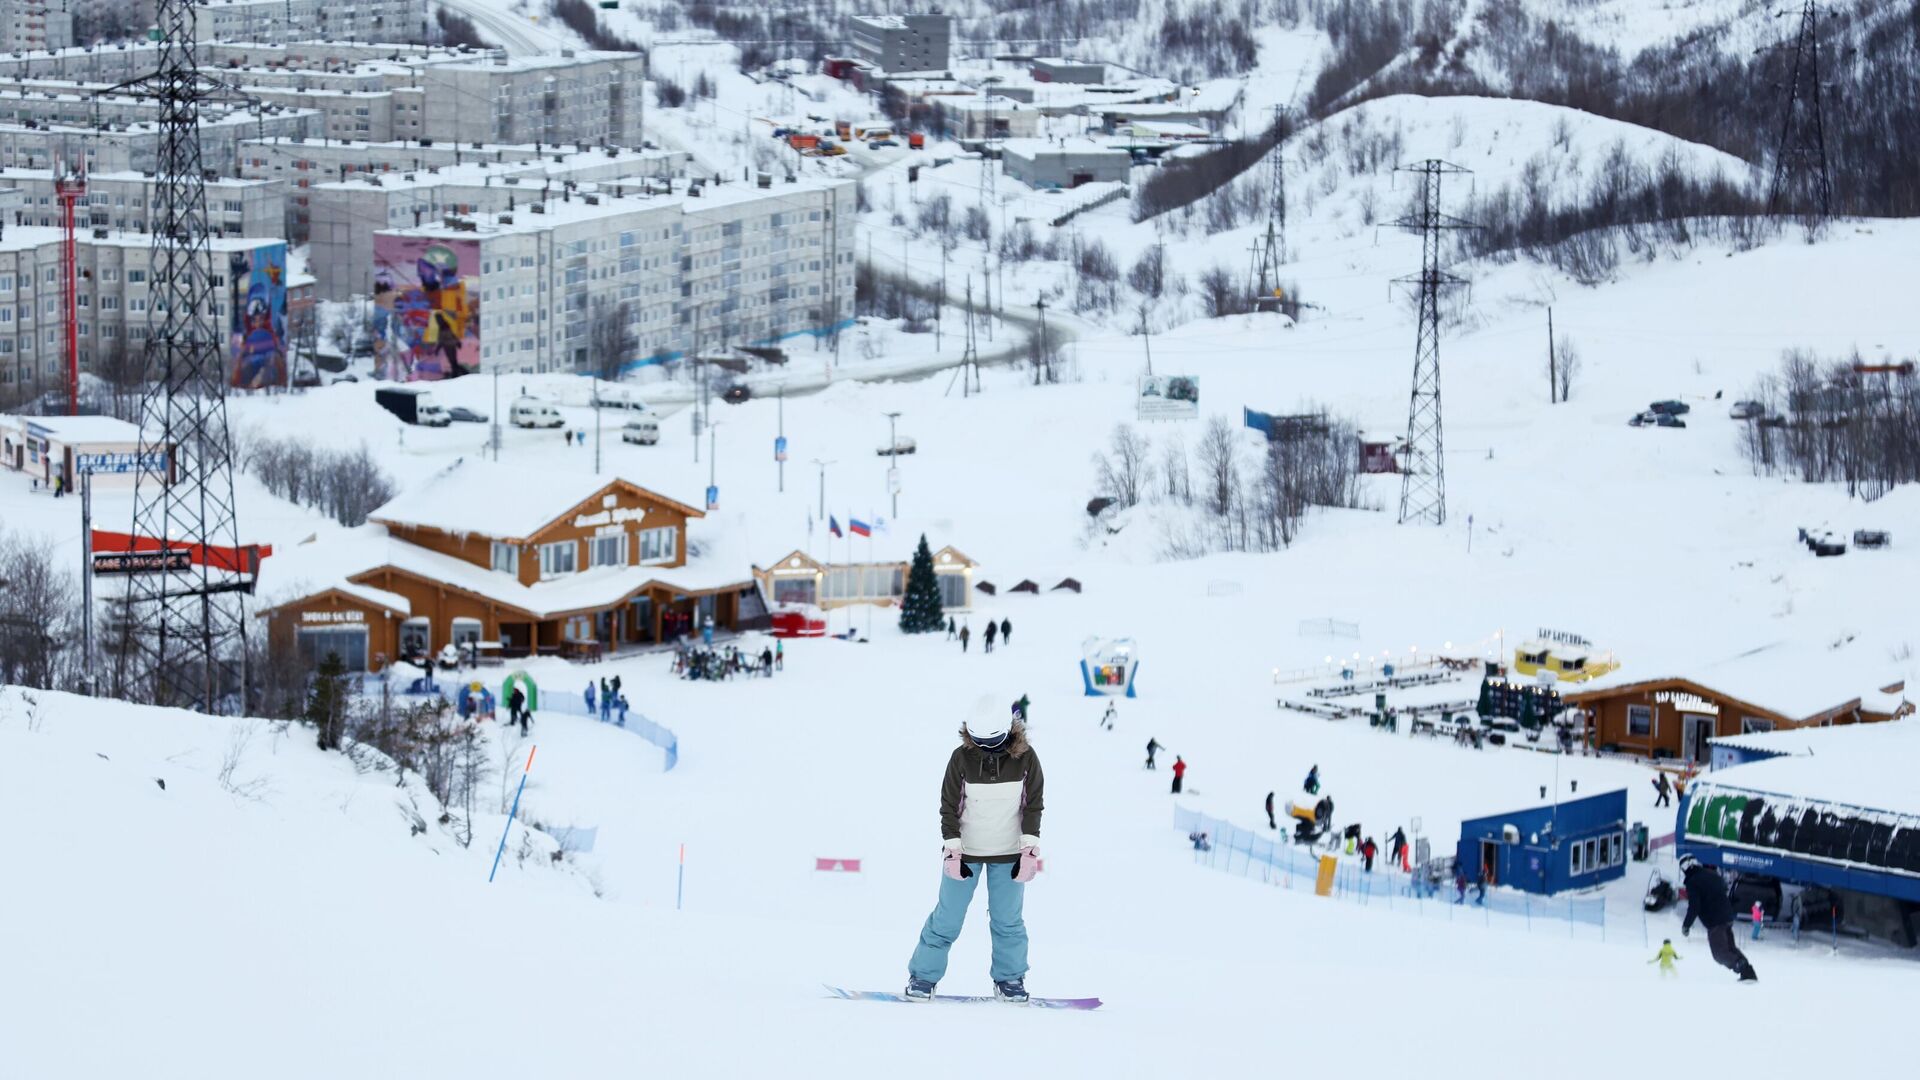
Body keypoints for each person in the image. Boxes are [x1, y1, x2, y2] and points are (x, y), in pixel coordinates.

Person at [905, 695, 1045, 1005]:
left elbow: (1033, 805)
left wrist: (1029, 851)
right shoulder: (961, 758)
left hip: (1009, 855)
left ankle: (1010, 978)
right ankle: (923, 976)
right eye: (979, 741)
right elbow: (948, 806)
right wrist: (953, 850)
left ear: (1007, 732)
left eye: (991, 741)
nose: (985, 748)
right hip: (965, 855)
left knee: (1008, 920)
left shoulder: (1027, 759)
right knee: (947, 917)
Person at [1679, 853, 1757, 981]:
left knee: (1720, 953)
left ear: (1686, 867)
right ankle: (1748, 972)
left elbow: (1694, 906)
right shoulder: (1712, 874)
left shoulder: (1693, 882)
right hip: (1727, 916)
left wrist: (1686, 925)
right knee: (1730, 948)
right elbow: (1723, 889)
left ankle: (1742, 968)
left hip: (1715, 921)